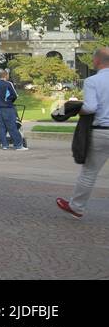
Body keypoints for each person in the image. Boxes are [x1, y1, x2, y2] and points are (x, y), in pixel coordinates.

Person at [58, 46, 109, 218]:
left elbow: (90, 107)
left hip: (101, 130)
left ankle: (77, 206)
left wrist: (76, 109)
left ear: (96, 61)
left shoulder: (92, 81)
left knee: (89, 172)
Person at [0, 68, 27, 151]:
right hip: (8, 108)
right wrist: (9, 101)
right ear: (6, 76)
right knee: (12, 127)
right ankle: (18, 145)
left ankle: (4, 145)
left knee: (2, 127)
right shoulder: (8, 84)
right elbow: (15, 95)